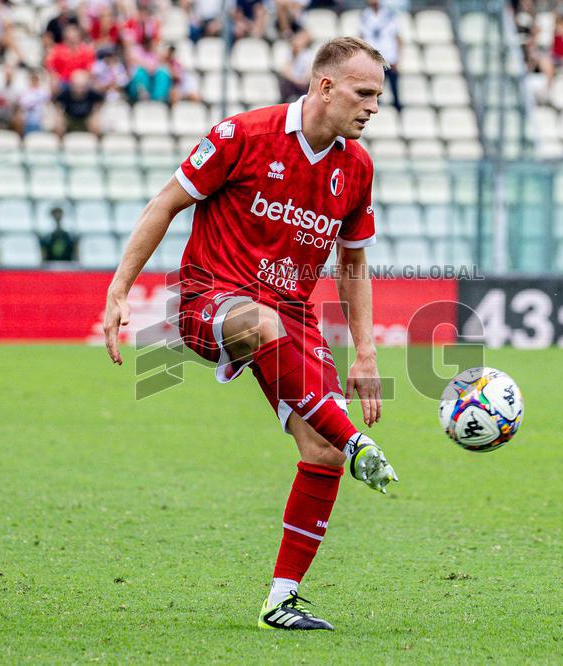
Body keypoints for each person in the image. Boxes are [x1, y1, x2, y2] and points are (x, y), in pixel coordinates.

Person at [102, 37, 396, 631]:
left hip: (291, 315)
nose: (372, 107)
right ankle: (357, 444)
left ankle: (282, 600)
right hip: (210, 299)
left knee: (320, 451)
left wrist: (365, 353)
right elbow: (165, 204)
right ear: (325, 87)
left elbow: (353, 264)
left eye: (378, 97)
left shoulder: (357, 168)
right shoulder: (243, 135)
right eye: (364, 93)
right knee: (262, 326)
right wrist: (119, 288)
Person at [359, 0, 401, 110]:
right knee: (374, 88)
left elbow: (397, 37)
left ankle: (397, 109)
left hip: (389, 57)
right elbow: (362, 37)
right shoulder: (365, 15)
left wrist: (397, 57)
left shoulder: (389, 14)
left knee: (394, 89)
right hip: (373, 58)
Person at [55, 68, 104, 134]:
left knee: (95, 124)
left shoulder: (93, 94)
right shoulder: (64, 95)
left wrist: (95, 115)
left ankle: (95, 140)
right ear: (71, 84)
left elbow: (99, 103)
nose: (79, 89)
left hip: (86, 119)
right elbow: (58, 106)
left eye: (82, 86)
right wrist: (60, 118)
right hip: (70, 119)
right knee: (59, 125)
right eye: (77, 86)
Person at [278, 30, 313, 103]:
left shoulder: (308, 53)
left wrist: (303, 80)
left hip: (303, 82)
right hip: (292, 82)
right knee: (284, 82)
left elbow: (309, 71)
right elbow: (286, 71)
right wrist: (297, 81)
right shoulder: (288, 53)